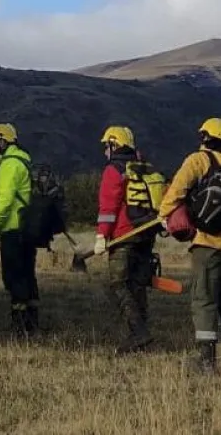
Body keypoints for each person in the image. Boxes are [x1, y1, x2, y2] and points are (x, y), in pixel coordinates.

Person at [158, 117, 221, 375]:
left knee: (204, 301)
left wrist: (164, 216)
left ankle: (206, 362)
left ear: (205, 137)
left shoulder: (198, 160)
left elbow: (177, 191)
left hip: (206, 245)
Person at [94, 126, 159, 355]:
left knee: (119, 285)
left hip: (123, 237)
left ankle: (138, 332)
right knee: (137, 285)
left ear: (115, 145)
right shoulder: (142, 167)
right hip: (145, 235)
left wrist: (102, 235)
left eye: (107, 146)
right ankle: (141, 334)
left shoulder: (113, 170)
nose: (105, 151)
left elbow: (108, 207)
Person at [0, 123, 40, 335]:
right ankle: (32, 323)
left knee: (14, 278)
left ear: (1, 142)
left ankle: (20, 326)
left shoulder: (9, 165)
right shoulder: (23, 161)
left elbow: (5, 200)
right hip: (26, 229)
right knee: (28, 276)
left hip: (13, 230)